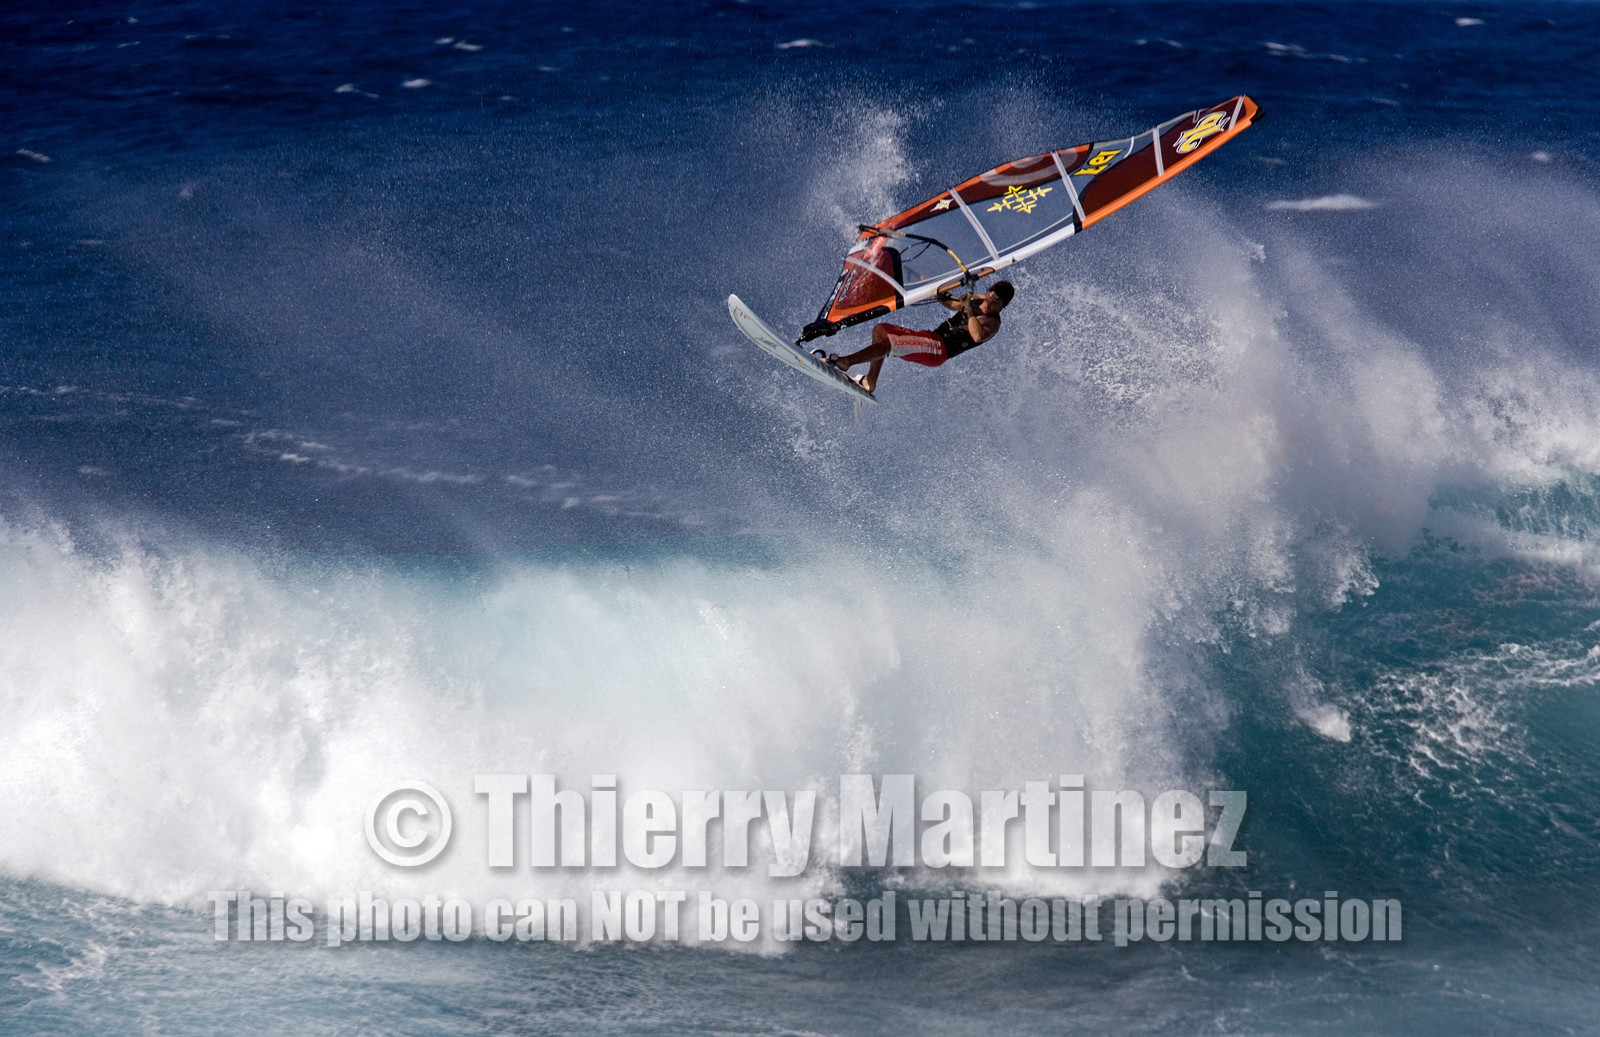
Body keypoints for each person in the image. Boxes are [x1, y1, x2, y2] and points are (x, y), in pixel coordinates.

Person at [817, 281, 1014, 393]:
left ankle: (845, 362)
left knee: (888, 344)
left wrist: (970, 309)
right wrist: (942, 295)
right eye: (988, 297)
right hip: (932, 337)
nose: (988, 303)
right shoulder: (980, 299)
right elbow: (953, 305)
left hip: (939, 350)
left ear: (1002, 306)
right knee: (881, 330)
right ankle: (870, 381)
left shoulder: (993, 322)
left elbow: (977, 335)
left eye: (994, 302)